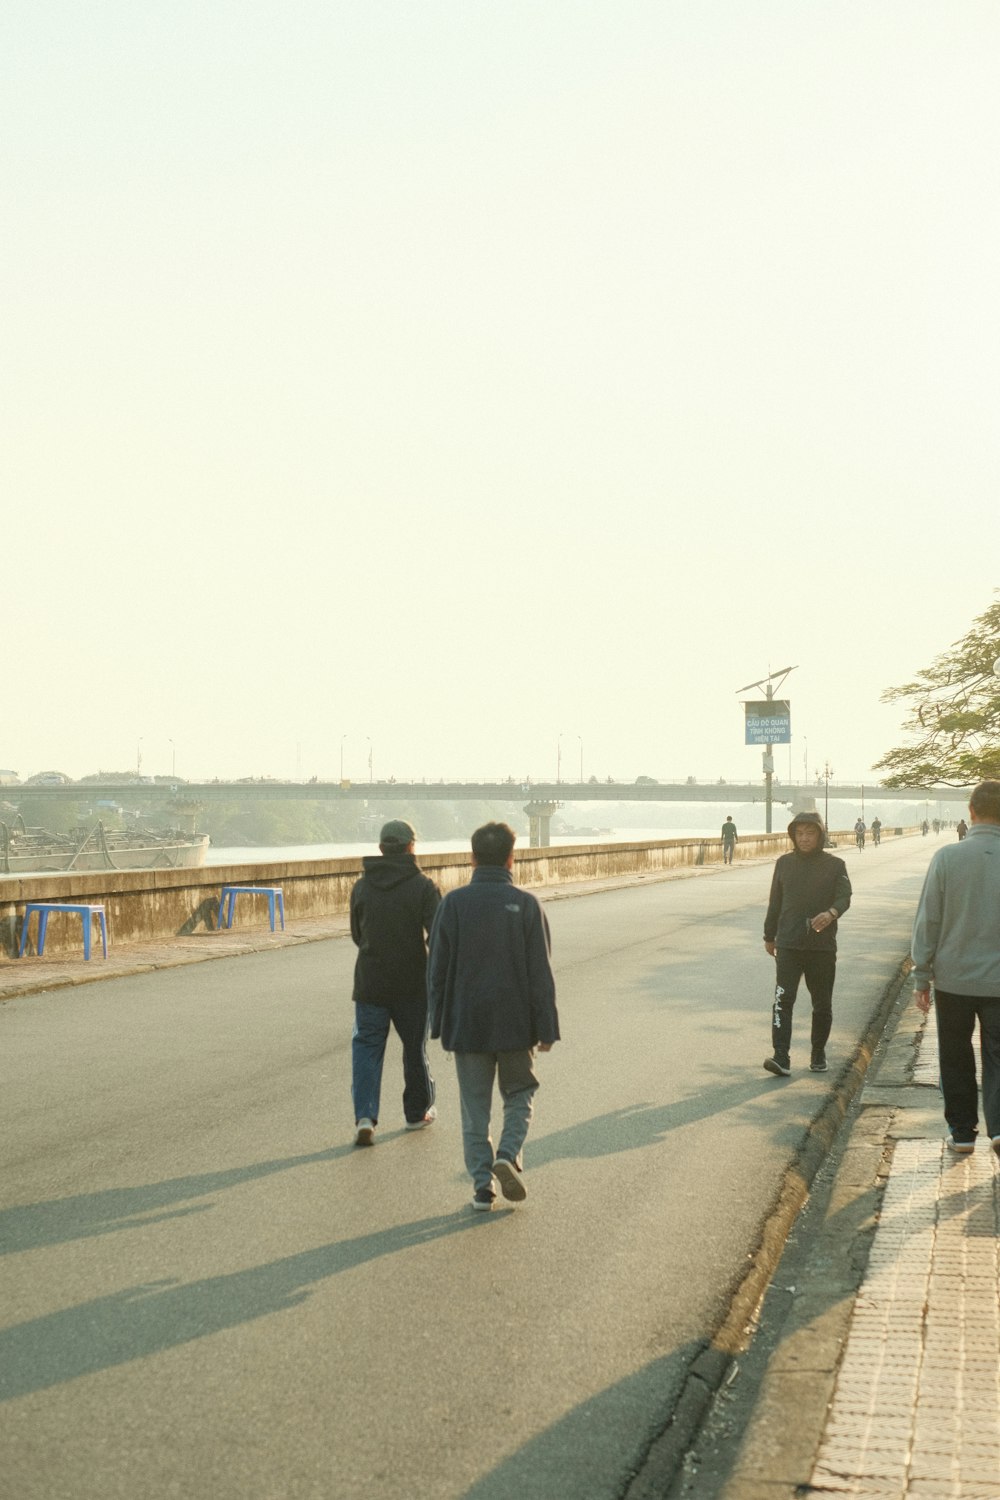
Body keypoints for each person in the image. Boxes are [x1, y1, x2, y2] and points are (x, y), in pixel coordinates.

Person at [428, 822, 560, 1210]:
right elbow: (541, 974)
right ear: (510, 858)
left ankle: (482, 1187)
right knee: (520, 1092)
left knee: (475, 1107)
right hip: (516, 1024)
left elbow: (436, 971)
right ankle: (508, 1153)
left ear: (471, 858)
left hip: (467, 1023)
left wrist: (440, 1023)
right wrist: (547, 1027)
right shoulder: (526, 904)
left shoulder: (452, 905)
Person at [911, 781, 1000, 1155]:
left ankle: (963, 1133)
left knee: (955, 1054)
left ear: (971, 812)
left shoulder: (947, 858)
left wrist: (921, 974)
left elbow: (928, 920)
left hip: (954, 980)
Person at [349, 819, 441, 1146]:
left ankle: (365, 1116)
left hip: (370, 981)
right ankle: (416, 1113)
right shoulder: (423, 886)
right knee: (414, 1048)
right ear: (411, 847)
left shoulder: (362, 886)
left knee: (367, 1048)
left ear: (380, 848)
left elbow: (357, 935)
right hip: (412, 983)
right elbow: (439, 935)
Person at [762, 811, 852, 1077]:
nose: (804, 838)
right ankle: (781, 1056)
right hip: (788, 944)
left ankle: (818, 1052)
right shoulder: (784, 863)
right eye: (799, 833)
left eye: (810, 833)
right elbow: (775, 902)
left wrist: (831, 913)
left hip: (821, 947)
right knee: (782, 1000)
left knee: (821, 1003)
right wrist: (769, 935)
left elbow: (845, 897)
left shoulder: (835, 865)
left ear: (820, 835)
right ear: (793, 835)